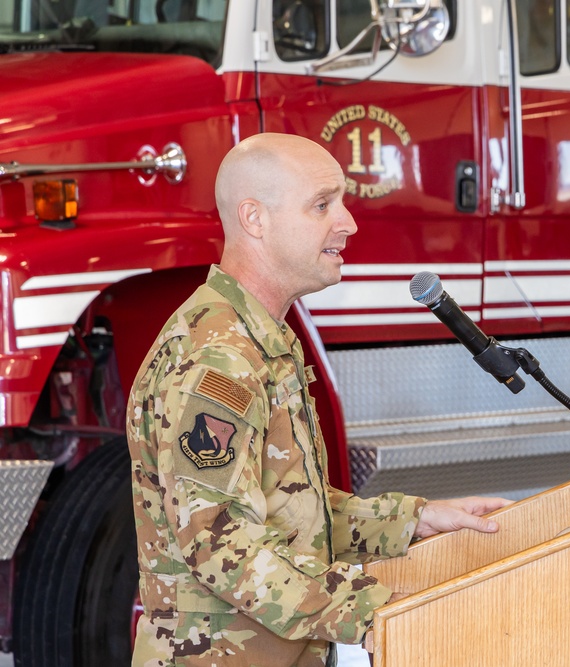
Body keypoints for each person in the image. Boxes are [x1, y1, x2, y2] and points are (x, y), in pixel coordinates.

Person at [127, 133, 510, 666]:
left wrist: (416, 520)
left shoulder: (262, 337)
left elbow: (290, 515)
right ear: (254, 219)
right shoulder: (218, 356)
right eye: (323, 204)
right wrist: (377, 611)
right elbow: (219, 546)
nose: (349, 222)